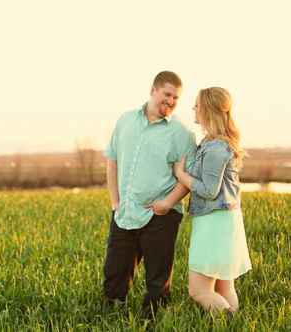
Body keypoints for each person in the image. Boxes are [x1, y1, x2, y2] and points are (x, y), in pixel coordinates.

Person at [102, 71, 196, 318]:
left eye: (176, 97)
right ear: (153, 90)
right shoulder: (125, 121)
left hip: (161, 215)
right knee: (115, 269)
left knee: (158, 276)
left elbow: (188, 179)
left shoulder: (182, 134)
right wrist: (115, 203)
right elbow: (112, 161)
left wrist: (167, 203)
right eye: (167, 94)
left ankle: (152, 319)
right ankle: (112, 313)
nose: (171, 101)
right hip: (125, 211)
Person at [173, 87, 251, 316]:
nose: (193, 109)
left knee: (198, 291)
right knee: (223, 285)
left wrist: (181, 175)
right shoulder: (211, 141)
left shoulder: (216, 147)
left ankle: (228, 319)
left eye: (197, 105)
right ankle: (233, 323)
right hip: (223, 220)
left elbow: (208, 190)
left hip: (214, 222)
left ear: (207, 109)